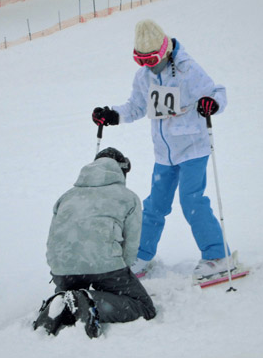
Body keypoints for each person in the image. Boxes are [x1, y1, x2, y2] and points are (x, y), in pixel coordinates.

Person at [91, 19, 234, 282]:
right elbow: (135, 106)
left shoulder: (187, 70)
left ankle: (217, 256)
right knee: (154, 205)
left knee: (191, 202)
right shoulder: (144, 76)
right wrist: (113, 115)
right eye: (140, 60)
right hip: (164, 154)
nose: (148, 65)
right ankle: (141, 256)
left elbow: (217, 92)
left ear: (165, 50)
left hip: (192, 148)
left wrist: (210, 103)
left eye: (152, 58)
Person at [33, 148, 156, 339]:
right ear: (121, 169)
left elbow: (54, 238)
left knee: (72, 296)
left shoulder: (67, 196)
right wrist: (117, 272)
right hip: (104, 264)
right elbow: (130, 248)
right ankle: (88, 300)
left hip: (62, 266)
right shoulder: (128, 197)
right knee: (143, 306)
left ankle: (62, 301)